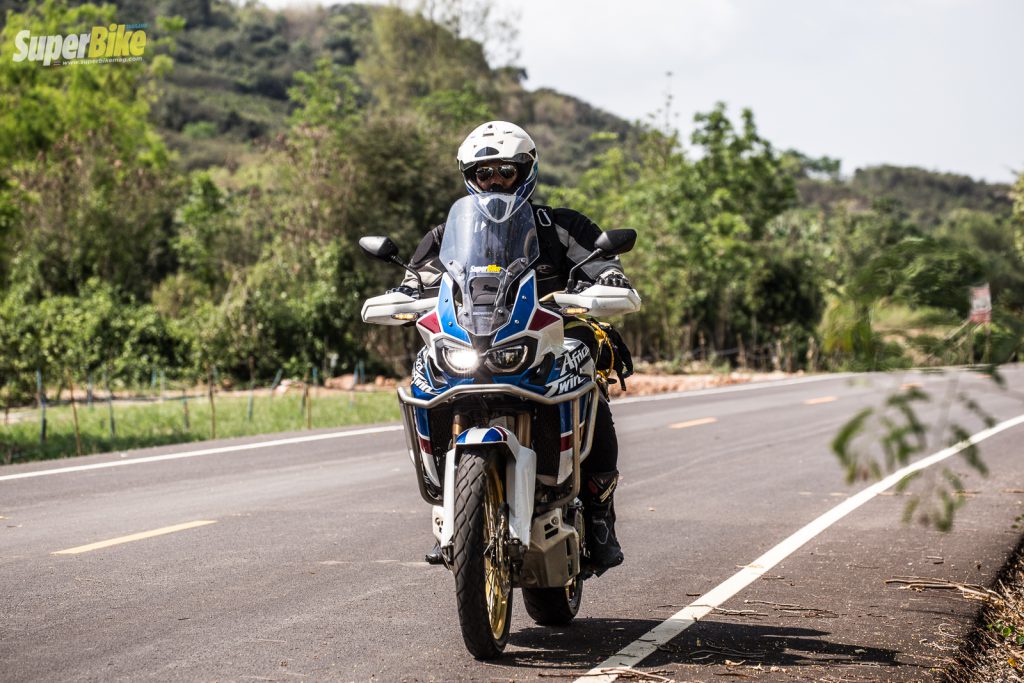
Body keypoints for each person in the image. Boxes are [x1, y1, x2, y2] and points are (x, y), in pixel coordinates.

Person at [391, 121, 632, 574]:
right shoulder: (448, 234)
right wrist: (402, 292)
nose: (494, 181)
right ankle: (455, 515)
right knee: (425, 373)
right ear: (470, 177)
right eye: (484, 174)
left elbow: (601, 262)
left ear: (526, 171)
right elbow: (416, 277)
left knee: (586, 382)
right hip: (475, 338)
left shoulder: (560, 226)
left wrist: (609, 277)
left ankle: (599, 515)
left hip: (552, 334)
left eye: (505, 171)